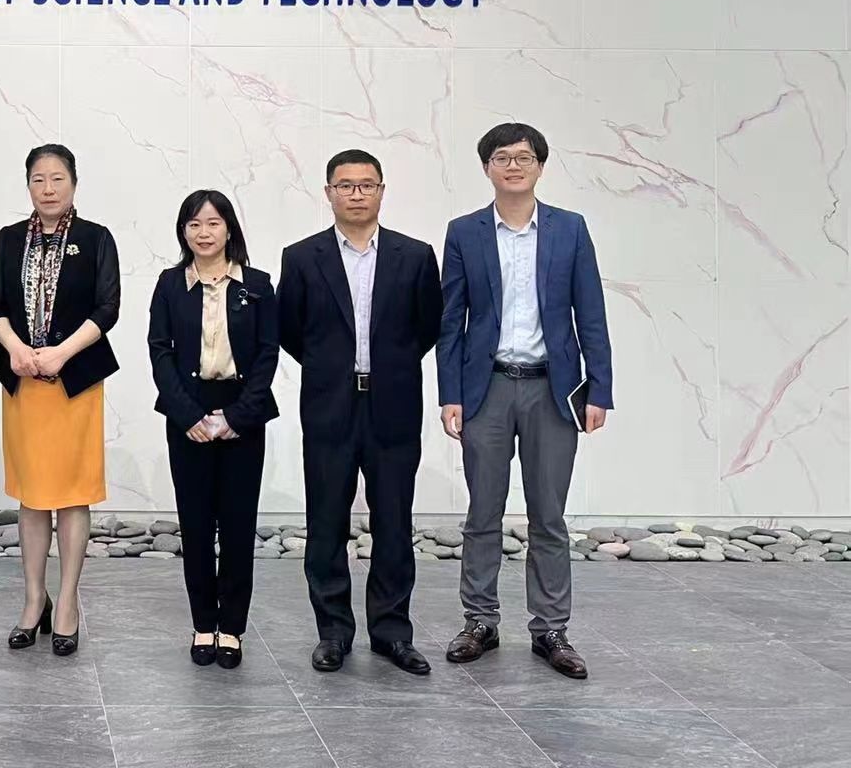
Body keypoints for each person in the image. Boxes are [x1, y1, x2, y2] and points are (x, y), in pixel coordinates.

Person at [438, 123, 613, 680]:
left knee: (549, 516)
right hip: (486, 388)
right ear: (486, 167)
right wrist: (450, 394)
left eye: (523, 157)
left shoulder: (569, 229)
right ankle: (480, 621)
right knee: (482, 513)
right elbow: (451, 321)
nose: (513, 166)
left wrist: (599, 389)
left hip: (552, 391)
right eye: (501, 157)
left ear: (540, 166)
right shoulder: (464, 232)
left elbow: (591, 312)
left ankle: (551, 629)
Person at [277, 150, 442, 677]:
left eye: (366, 185)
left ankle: (392, 632)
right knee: (326, 522)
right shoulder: (302, 257)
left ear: (381, 191)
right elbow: (290, 330)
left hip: (393, 404)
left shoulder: (415, 256)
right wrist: (332, 368)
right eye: (345, 185)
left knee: (394, 521)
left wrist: (388, 367)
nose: (356, 194)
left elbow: (427, 327)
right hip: (330, 404)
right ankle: (333, 632)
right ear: (328, 192)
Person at [0, 143, 119, 657]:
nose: (48, 188)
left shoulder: (95, 238)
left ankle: (66, 602)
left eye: (57, 178)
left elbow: (108, 307)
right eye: (38, 179)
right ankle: (32, 599)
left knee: (72, 493)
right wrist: (17, 349)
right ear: (28, 185)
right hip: (23, 380)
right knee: (32, 494)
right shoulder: (8, 239)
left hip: (75, 381)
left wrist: (61, 352)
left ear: (74, 183)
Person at [147, 189, 278, 670]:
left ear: (229, 229)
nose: (204, 233)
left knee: (238, 526)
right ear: (184, 232)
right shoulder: (169, 284)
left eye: (213, 223)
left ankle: (233, 628)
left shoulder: (257, 284)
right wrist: (189, 417)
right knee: (197, 526)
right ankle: (204, 623)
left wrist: (236, 417)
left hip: (243, 414)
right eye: (194, 224)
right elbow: (160, 352)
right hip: (189, 416)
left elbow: (267, 354)